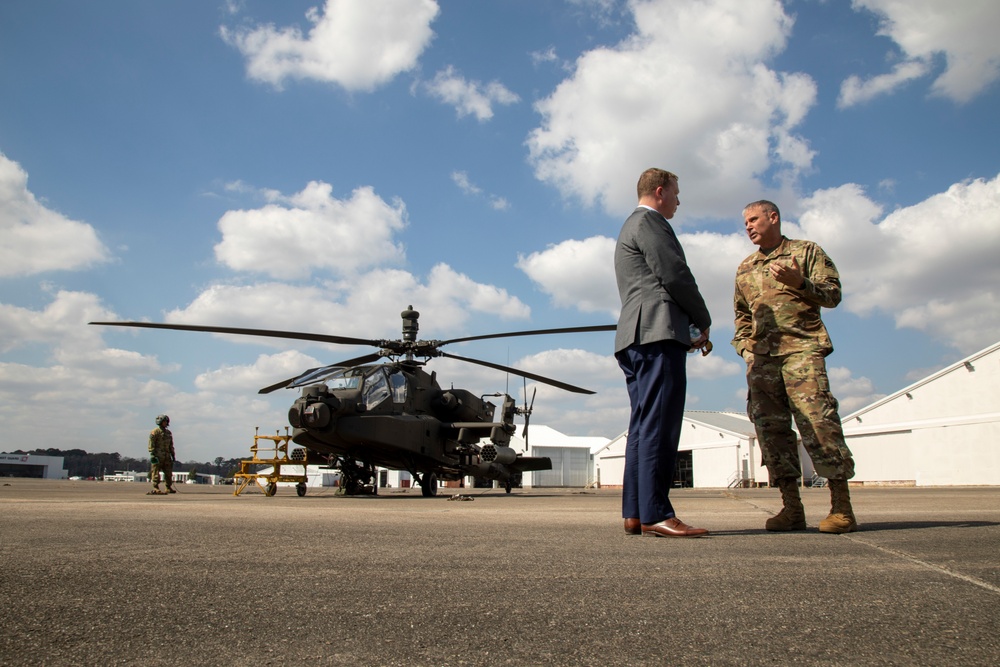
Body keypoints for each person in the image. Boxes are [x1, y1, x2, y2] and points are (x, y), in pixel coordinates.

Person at [732, 200, 858, 533]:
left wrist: (800, 283)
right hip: (762, 359)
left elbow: (833, 295)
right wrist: (745, 349)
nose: (748, 226)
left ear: (773, 218)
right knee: (770, 431)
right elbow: (741, 317)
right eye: (745, 222)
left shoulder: (806, 252)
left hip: (802, 351)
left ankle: (841, 508)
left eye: (754, 219)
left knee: (819, 423)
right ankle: (791, 508)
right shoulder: (745, 267)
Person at [614, 168, 712, 538]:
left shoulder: (628, 226)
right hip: (657, 335)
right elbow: (674, 274)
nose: (678, 201)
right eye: (676, 193)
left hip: (635, 336)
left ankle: (636, 512)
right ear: (660, 192)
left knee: (642, 426)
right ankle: (657, 513)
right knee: (660, 425)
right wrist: (702, 320)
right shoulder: (650, 222)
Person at [148, 414, 177, 495]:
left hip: (167, 456)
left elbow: (171, 445)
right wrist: (152, 453)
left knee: (168, 473)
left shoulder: (168, 433)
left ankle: (168, 487)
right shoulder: (155, 432)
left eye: (166, 422)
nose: (166, 423)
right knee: (156, 472)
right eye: (164, 421)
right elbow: (151, 444)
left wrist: (173, 455)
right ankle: (156, 487)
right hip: (157, 456)